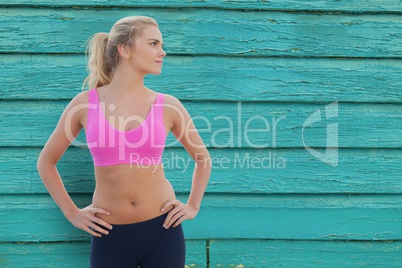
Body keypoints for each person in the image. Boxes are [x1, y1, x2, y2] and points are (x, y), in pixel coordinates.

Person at [37, 16, 211, 267]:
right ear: (125, 49)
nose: (162, 52)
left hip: (163, 230)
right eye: (153, 43)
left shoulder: (168, 105)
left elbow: (203, 159)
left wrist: (192, 206)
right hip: (109, 234)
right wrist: (72, 213)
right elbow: (46, 161)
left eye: (161, 45)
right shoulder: (84, 104)